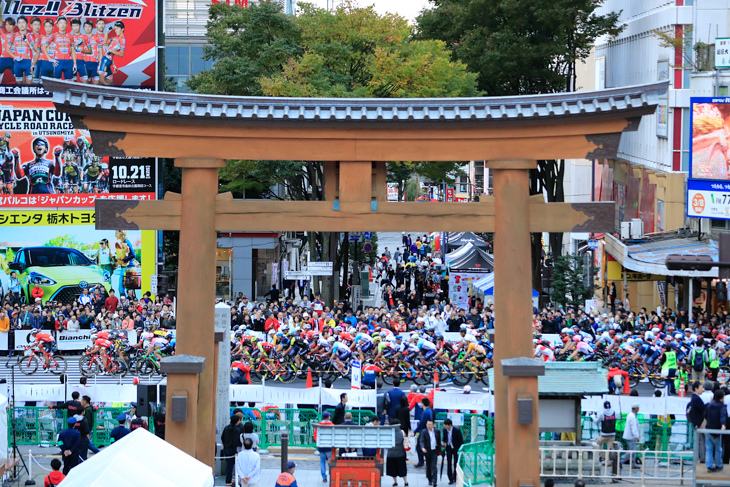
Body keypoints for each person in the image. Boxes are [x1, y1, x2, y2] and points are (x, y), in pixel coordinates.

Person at [704, 389, 727, 472]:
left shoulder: (709, 405)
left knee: (709, 449)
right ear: (722, 397)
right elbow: (723, 416)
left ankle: (709, 465)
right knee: (718, 449)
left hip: (708, 428)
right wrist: (723, 425)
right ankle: (718, 464)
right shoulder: (722, 406)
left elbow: (705, 415)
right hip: (717, 430)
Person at [687, 381, 707, 463]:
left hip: (697, 423)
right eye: (701, 388)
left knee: (699, 441)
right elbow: (703, 411)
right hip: (700, 423)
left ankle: (700, 457)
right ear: (696, 389)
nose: (703, 389)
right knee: (702, 441)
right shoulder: (696, 399)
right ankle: (702, 458)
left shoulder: (693, 398)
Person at [419, 419, 441, 487]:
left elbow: (439, 441)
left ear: (433, 425)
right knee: (428, 466)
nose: (428, 426)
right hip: (427, 450)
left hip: (434, 450)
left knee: (434, 466)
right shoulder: (424, 431)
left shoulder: (437, 431)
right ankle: (430, 479)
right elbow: (421, 440)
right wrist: (422, 447)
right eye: (427, 424)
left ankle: (435, 481)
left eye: (430, 424)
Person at [386, 419, 409, 487]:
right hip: (400, 453)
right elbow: (405, 440)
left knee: (393, 469)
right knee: (402, 469)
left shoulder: (389, 432)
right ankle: (406, 482)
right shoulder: (402, 432)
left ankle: (395, 482)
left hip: (391, 454)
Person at [221, 414, 243, 485]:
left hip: (226, 449)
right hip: (233, 450)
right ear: (237, 421)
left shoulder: (226, 428)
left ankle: (229, 480)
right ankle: (229, 481)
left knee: (229, 465)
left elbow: (222, 437)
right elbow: (236, 440)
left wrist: (225, 445)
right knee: (233, 466)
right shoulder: (237, 430)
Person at [442, 418, 463, 485]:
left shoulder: (456, 430)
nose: (445, 426)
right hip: (448, 447)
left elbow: (461, 440)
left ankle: (455, 477)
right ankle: (450, 478)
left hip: (456, 448)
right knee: (449, 462)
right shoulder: (444, 430)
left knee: (456, 463)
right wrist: (443, 442)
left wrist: (461, 450)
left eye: (446, 425)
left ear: (449, 425)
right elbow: (444, 438)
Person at [413, 397, 433, 468]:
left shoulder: (425, 412)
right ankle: (423, 461)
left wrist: (415, 431)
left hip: (423, 431)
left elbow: (421, 423)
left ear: (423, 404)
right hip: (427, 431)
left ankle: (421, 461)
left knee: (419, 446)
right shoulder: (429, 411)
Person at [315, 411, 334, 483]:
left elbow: (315, 435)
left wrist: (318, 442)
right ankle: (331, 475)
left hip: (321, 446)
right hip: (329, 446)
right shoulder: (331, 424)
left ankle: (324, 477)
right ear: (329, 417)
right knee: (331, 462)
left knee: (322, 461)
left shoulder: (319, 424)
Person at [620, 403, 640, 468]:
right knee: (632, 451)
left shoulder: (631, 415)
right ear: (636, 409)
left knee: (633, 450)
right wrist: (636, 436)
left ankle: (633, 463)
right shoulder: (632, 416)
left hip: (630, 436)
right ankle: (620, 460)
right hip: (631, 436)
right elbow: (633, 427)